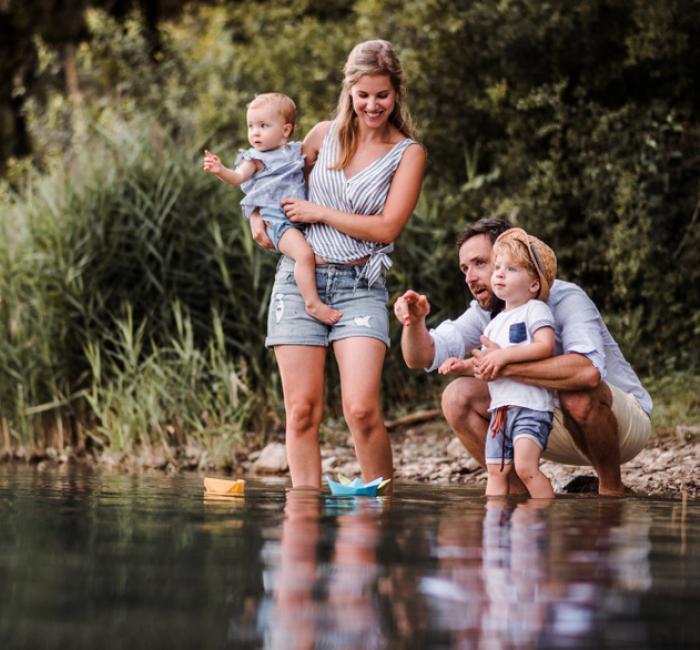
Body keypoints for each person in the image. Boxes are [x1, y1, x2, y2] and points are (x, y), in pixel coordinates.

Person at [250, 40, 426, 489]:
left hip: (359, 284)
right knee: (303, 411)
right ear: (349, 90)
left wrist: (321, 213)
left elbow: (387, 228)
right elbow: (270, 180)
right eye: (363, 94)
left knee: (362, 410)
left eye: (382, 95)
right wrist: (255, 216)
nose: (372, 105)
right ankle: (303, 520)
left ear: (396, 94)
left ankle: (379, 507)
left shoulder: (407, 153)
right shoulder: (321, 136)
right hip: (299, 281)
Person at [395, 218, 652, 497]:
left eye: (480, 263)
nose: (470, 278)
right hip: (538, 420)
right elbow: (420, 357)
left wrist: (504, 365)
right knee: (456, 396)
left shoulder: (564, 297)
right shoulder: (487, 312)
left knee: (576, 392)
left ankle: (612, 492)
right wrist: (414, 323)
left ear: (511, 254)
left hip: (621, 426)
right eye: (465, 269)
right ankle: (519, 499)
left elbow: (587, 372)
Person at [203, 92, 341, 325]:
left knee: (314, 252)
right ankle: (312, 303)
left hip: (299, 215)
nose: (254, 132)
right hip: (277, 219)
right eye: (250, 126)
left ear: (286, 130)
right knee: (304, 254)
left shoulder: (295, 151)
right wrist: (220, 170)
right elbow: (237, 178)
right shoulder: (255, 159)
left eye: (263, 125)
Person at [442, 228, 558, 498]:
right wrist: (463, 366)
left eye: (512, 269)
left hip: (530, 406)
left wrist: (504, 356)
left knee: (526, 468)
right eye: (498, 268)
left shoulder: (535, 310)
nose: (500, 274)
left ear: (534, 284)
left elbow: (545, 346)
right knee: (495, 470)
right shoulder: (495, 323)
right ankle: (493, 523)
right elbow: (486, 363)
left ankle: (544, 516)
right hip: (500, 411)